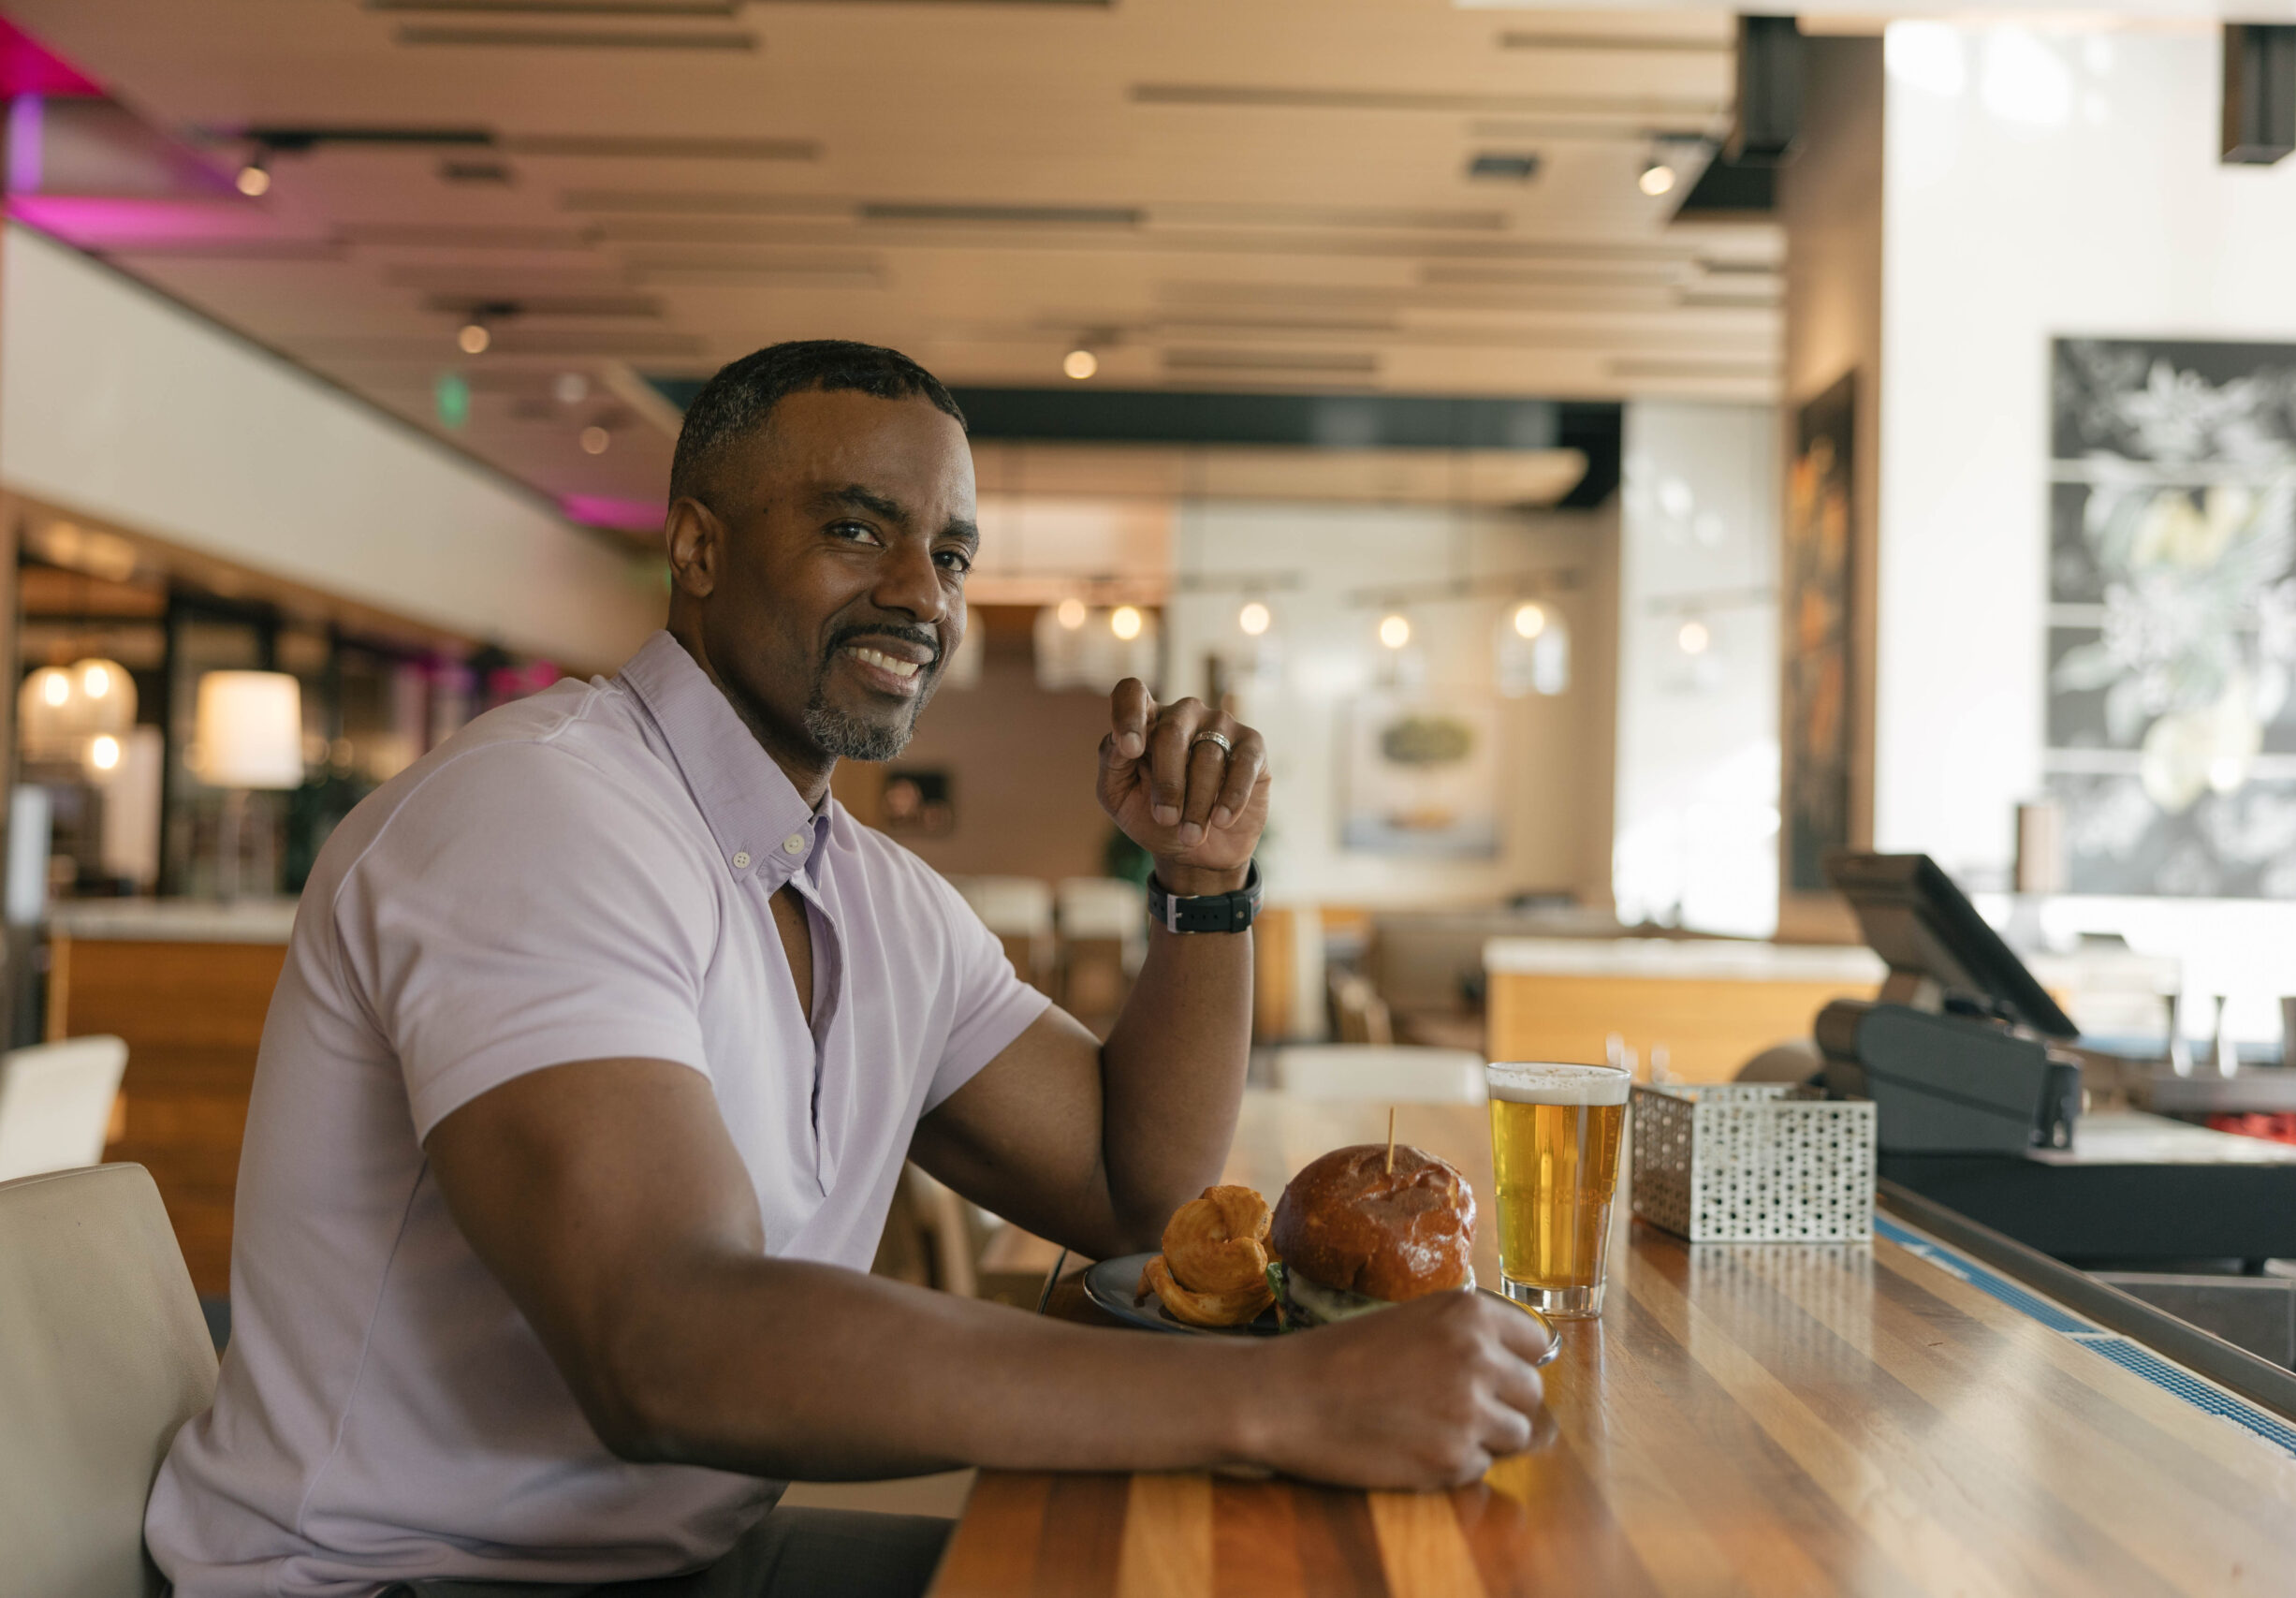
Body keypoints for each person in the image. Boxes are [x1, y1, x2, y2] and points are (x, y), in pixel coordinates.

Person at [145, 341, 1548, 1598]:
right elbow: (666, 1344)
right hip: (385, 1581)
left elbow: (1137, 1191)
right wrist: (1281, 1403)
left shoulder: (870, 896)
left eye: (949, 551)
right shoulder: (540, 816)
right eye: (856, 529)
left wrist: (1202, 885)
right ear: (696, 548)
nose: (917, 592)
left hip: (685, 1560)